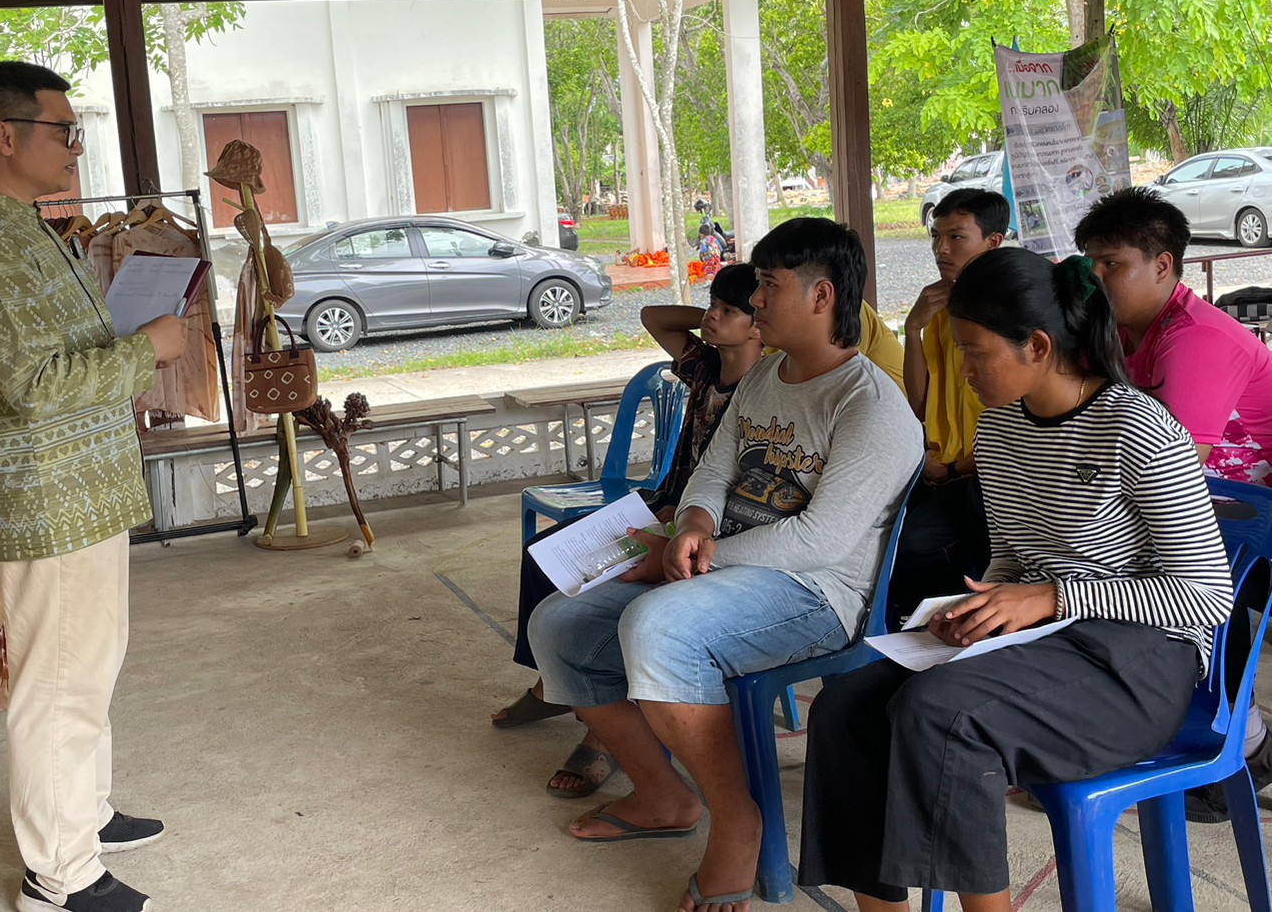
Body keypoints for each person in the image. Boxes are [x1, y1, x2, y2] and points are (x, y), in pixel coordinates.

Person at [798, 248, 1234, 912]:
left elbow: (1206, 594)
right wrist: (970, 610)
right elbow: (1011, 556)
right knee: (845, 706)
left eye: (975, 353)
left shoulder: (1136, 428)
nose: (964, 372)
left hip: (1143, 662)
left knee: (942, 713)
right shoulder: (1000, 429)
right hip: (1042, 637)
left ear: (1036, 345)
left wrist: (1052, 595)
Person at [527, 218, 921, 912]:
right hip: (720, 567)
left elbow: (819, 541)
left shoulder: (872, 404)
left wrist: (684, 559)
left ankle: (737, 820)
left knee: (657, 623)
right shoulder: (767, 373)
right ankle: (662, 794)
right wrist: (695, 524)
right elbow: (712, 471)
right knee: (558, 624)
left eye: (769, 286)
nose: (756, 301)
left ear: (822, 296)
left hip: (816, 594)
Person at [0, 61, 187, 912]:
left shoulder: (24, 226)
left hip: (84, 483)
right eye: (62, 131)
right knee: (57, 681)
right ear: (6, 136)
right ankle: (59, 874)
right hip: (49, 495)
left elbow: (55, 350)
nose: (76, 148)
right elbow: (31, 385)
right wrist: (147, 348)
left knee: (90, 666)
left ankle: (84, 812)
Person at [492, 265, 764, 798]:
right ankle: (551, 681)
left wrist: (746, 322)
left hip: (698, 526)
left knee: (606, 578)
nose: (711, 316)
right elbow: (653, 315)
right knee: (542, 552)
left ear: (762, 326)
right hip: (663, 504)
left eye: (728, 310)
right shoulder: (705, 366)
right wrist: (720, 320)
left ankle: (599, 737)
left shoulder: (766, 388)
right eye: (712, 305)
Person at [1076, 185, 1272, 821]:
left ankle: (1236, 749)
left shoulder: (1197, 338)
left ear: (1163, 266)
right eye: (1091, 263)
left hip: (1251, 511)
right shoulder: (1125, 328)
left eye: (1112, 264)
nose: (1096, 278)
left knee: (1180, 579)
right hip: (1220, 497)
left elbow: (1172, 467)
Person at [891, 189, 1008, 620]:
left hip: (988, 474)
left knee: (922, 544)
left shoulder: (1009, 312)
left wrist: (956, 468)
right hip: (943, 470)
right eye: (936, 237)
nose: (942, 249)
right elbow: (920, 403)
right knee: (891, 539)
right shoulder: (938, 305)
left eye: (957, 237)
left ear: (993, 243)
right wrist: (913, 328)